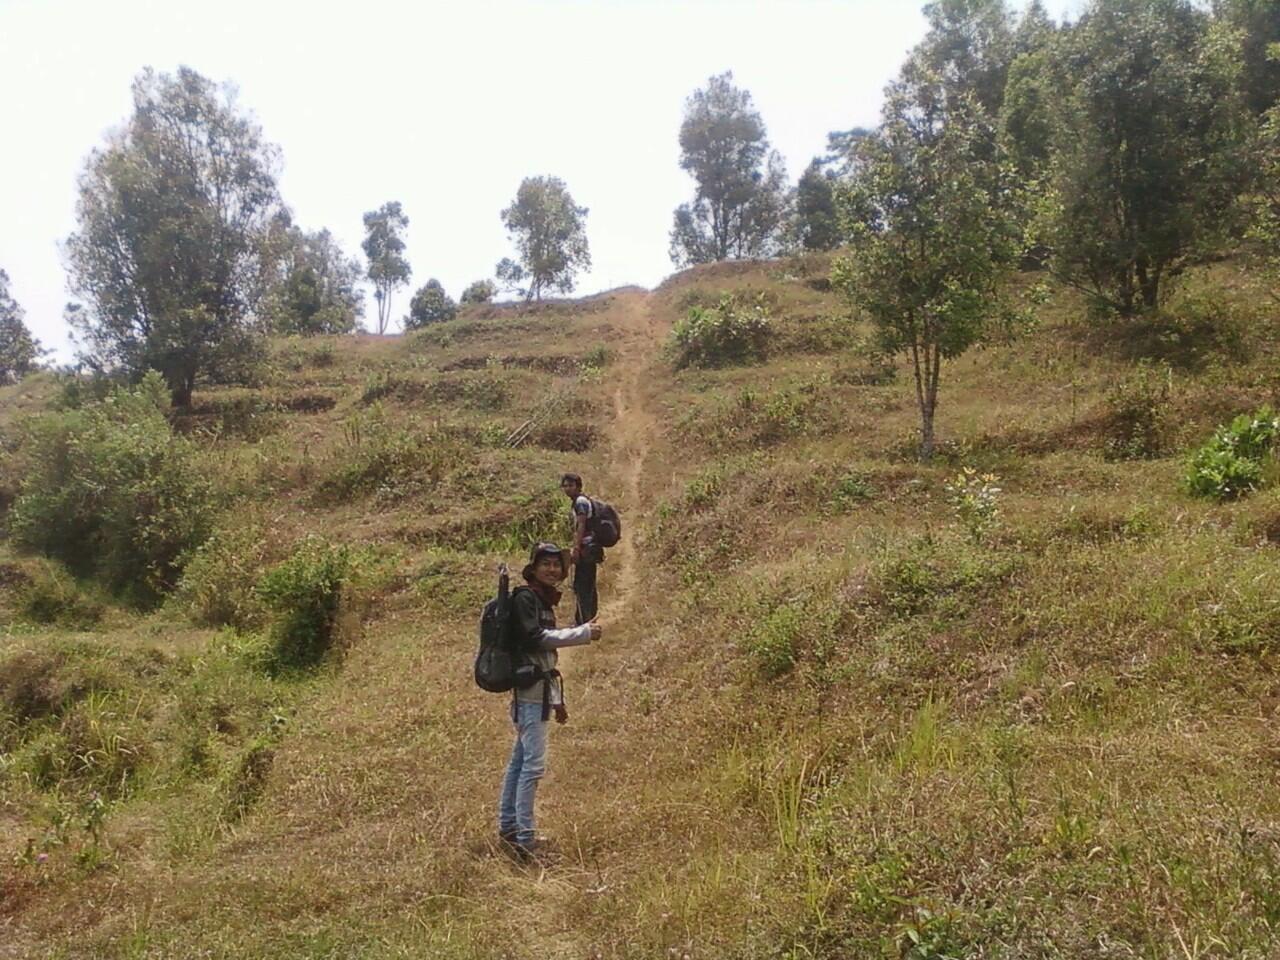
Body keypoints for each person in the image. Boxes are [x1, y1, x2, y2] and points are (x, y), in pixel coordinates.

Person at [498, 541, 603, 861]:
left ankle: (510, 827)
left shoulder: (538, 599)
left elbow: (544, 659)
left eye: (557, 564)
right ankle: (525, 839)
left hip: (535, 693)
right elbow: (535, 640)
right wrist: (581, 633)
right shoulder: (526, 598)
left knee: (520, 763)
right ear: (534, 567)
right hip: (530, 696)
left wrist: (557, 702)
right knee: (532, 767)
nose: (553, 569)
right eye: (546, 563)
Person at [560, 472, 602, 625]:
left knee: (582, 585)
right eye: (565, 486)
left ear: (578, 486)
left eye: (570, 485)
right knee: (587, 583)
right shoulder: (581, 501)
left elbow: (581, 525)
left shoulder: (580, 502)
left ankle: (583, 622)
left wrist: (576, 549)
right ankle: (589, 618)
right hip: (590, 548)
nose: (567, 489)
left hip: (586, 549)